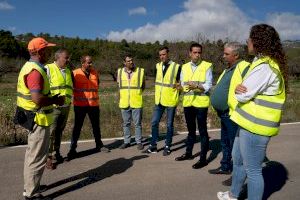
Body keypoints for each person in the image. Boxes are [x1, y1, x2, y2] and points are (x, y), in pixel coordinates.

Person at [217, 24, 287, 200]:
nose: (247, 41)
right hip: (247, 123)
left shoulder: (265, 67)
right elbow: (246, 92)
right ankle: (233, 194)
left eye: (250, 37)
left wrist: (240, 91)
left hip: (257, 127)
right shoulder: (259, 62)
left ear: (259, 41)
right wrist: (242, 90)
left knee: (253, 171)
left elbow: (243, 95)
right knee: (237, 159)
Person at [15, 37, 64, 200]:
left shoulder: (29, 67)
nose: (48, 52)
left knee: (32, 155)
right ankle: (32, 194)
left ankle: (30, 186)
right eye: (46, 49)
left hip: (33, 117)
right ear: (39, 51)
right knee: (37, 157)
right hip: (39, 119)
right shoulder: (35, 71)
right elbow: (37, 98)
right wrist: (56, 100)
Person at [208, 42, 250, 175]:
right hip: (224, 114)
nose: (223, 56)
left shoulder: (244, 67)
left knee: (236, 146)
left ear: (236, 55)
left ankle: (239, 175)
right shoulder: (229, 69)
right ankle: (225, 166)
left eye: (226, 54)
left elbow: (250, 88)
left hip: (233, 113)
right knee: (225, 143)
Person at [175, 43, 213, 169]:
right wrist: (180, 87)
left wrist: (197, 86)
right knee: (191, 131)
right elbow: (184, 84)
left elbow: (208, 86)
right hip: (188, 103)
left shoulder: (207, 66)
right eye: (195, 52)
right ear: (190, 53)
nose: (197, 55)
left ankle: (203, 159)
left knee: (203, 131)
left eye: (199, 52)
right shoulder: (184, 67)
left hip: (201, 103)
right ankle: (188, 153)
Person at [66, 55, 110, 161]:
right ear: (83, 63)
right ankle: (72, 149)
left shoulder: (95, 73)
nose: (91, 64)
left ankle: (99, 145)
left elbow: (97, 85)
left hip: (93, 105)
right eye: (89, 62)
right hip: (80, 106)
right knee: (77, 128)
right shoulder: (74, 73)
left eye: (91, 62)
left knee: (96, 126)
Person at [145, 46, 181, 156]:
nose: (162, 57)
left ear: (168, 54)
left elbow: (180, 84)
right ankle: (154, 145)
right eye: (160, 55)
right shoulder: (157, 66)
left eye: (164, 54)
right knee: (154, 122)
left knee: (169, 125)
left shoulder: (177, 67)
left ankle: (167, 146)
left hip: (170, 100)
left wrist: (178, 91)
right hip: (159, 100)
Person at [45, 49, 73, 165]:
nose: (68, 60)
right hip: (54, 107)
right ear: (58, 57)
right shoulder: (48, 68)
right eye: (66, 58)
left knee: (59, 132)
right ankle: (48, 157)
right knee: (51, 132)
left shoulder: (67, 70)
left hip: (66, 106)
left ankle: (57, 152)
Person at [118, 54, 145, 150]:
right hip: (124, 102)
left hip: (136, 101)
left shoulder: (140, 71)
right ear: (124, 62)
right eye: (128, 61)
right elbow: (119, 87)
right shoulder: (119, 72)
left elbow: (143, 86)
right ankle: (127, 142)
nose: (131, 62)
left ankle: (139, 142)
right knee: (126, 123)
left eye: (132, 60)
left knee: (137, 124)